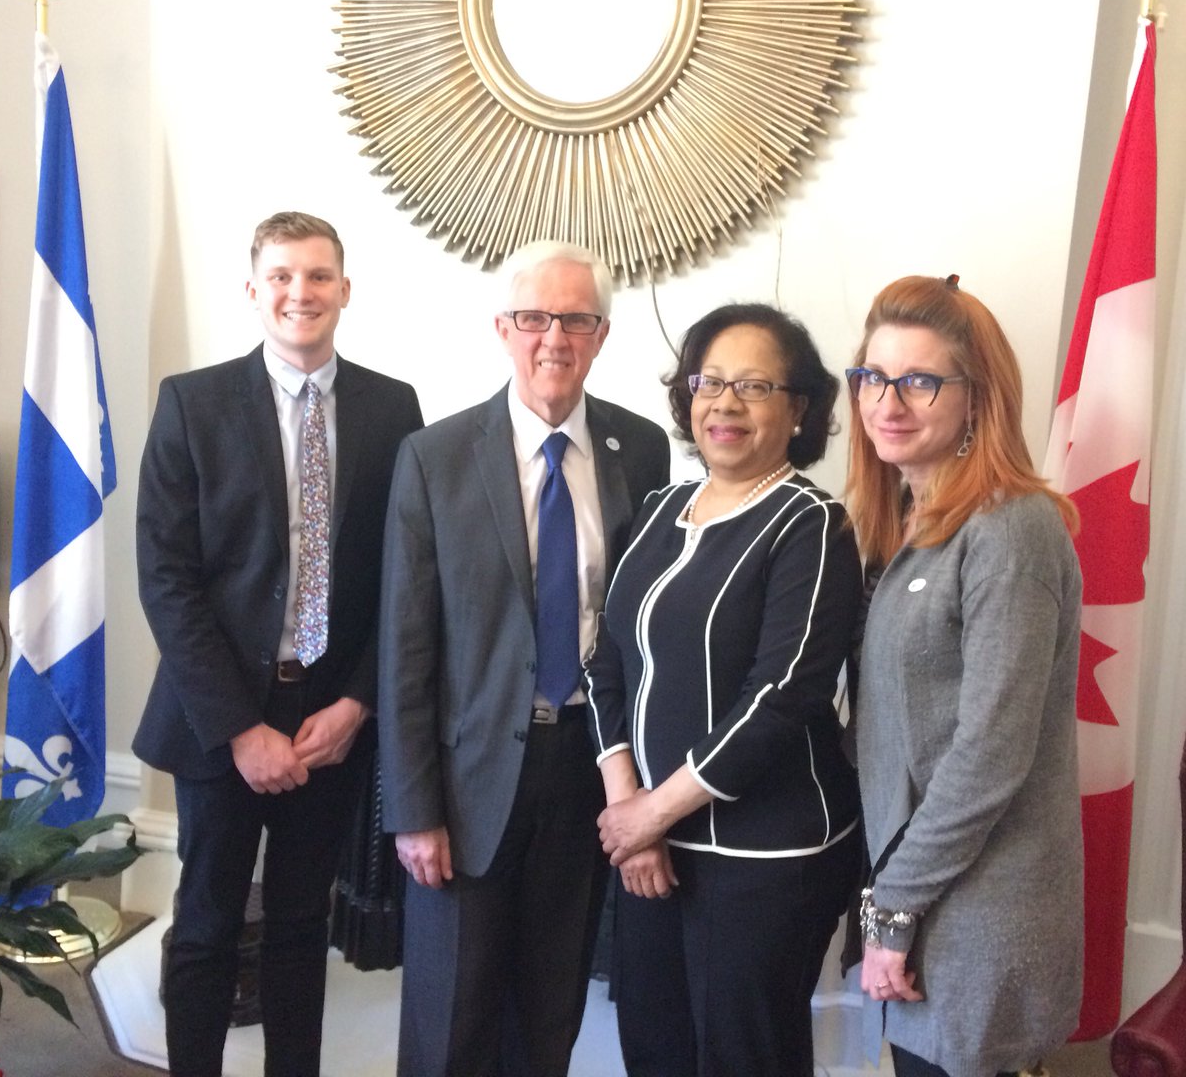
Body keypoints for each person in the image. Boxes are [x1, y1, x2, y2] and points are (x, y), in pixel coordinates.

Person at [134, 211, 423, 1077]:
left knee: (302, 927)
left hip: (329, 717)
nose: (302, 292)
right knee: (209, 922)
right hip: (218, 712)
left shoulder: (392, 407)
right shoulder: (193, 402)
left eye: (319, 276)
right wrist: (239, 728)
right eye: (283, 276)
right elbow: (168, 578)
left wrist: (357, 702)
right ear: (254, 290)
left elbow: (403, 577)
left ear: (345, 290)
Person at [378, 239, 670, 1077]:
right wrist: (411, 808)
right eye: (536, 318)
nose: (556, 339)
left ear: (602, 334)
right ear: (503, 328)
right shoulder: (434, 457)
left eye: (577, 320)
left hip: (587, 770)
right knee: (450, 1021)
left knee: (549, 1012)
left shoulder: (641, 450)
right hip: (466, 785)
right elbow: (406, 646)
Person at [588, 302, 863, 1077]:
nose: (726, 403)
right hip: (647, 839)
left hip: (764, 857)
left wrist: (652, 811)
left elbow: (782, 694)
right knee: (655, 1046)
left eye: (755, 385)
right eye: (709, 381)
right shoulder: (657, 509)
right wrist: (625, 805)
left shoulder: (811, 523)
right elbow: (603, 655)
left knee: (746, 1058)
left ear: (799, 408)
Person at [845, 274, 1084, 1077]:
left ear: (976, 400)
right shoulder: (909, 526)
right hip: (926, 902)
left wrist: (892, 911)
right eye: (873, 377)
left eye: (920, 380)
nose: (889, 401)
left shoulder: (1012, 527)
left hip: (981, 914)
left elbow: (989, 752)